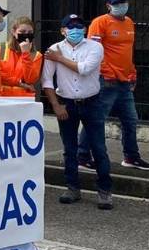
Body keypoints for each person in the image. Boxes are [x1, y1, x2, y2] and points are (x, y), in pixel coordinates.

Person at [79, 0, 149, 171]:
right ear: (108, 6)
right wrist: (107, 73)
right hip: (107, 80)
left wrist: (132, 72)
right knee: (96, 119)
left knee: (130, 120)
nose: (121, 6)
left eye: (123, 3)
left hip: (124, 81)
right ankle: (82, 156)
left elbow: (127, 52)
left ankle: (131, 156)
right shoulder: (100, 23)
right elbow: (94, 52)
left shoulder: (129, 23)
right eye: (116, 4)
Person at [42, 13, 113, 209]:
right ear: (63, 30)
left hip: (91, 102)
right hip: (67, 103)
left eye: (79, 26)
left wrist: (59, 59)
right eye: (70, 27)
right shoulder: (53, 50)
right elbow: (47, 80)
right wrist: (56, 105)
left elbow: (84, 69)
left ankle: (105, 191)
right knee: (69, 149)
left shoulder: (95, 47)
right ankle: (72, 188)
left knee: (99, 148)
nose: (75, 30)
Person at [0, 16, 43, 95]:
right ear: (14, 32)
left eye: (30, 33)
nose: (26, 35)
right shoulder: (0, 48)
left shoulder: (36, 55)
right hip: (2, 97)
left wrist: (25, 53)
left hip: (24, 100)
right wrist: (20, 83)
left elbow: (30, 80)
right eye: (22, 32)